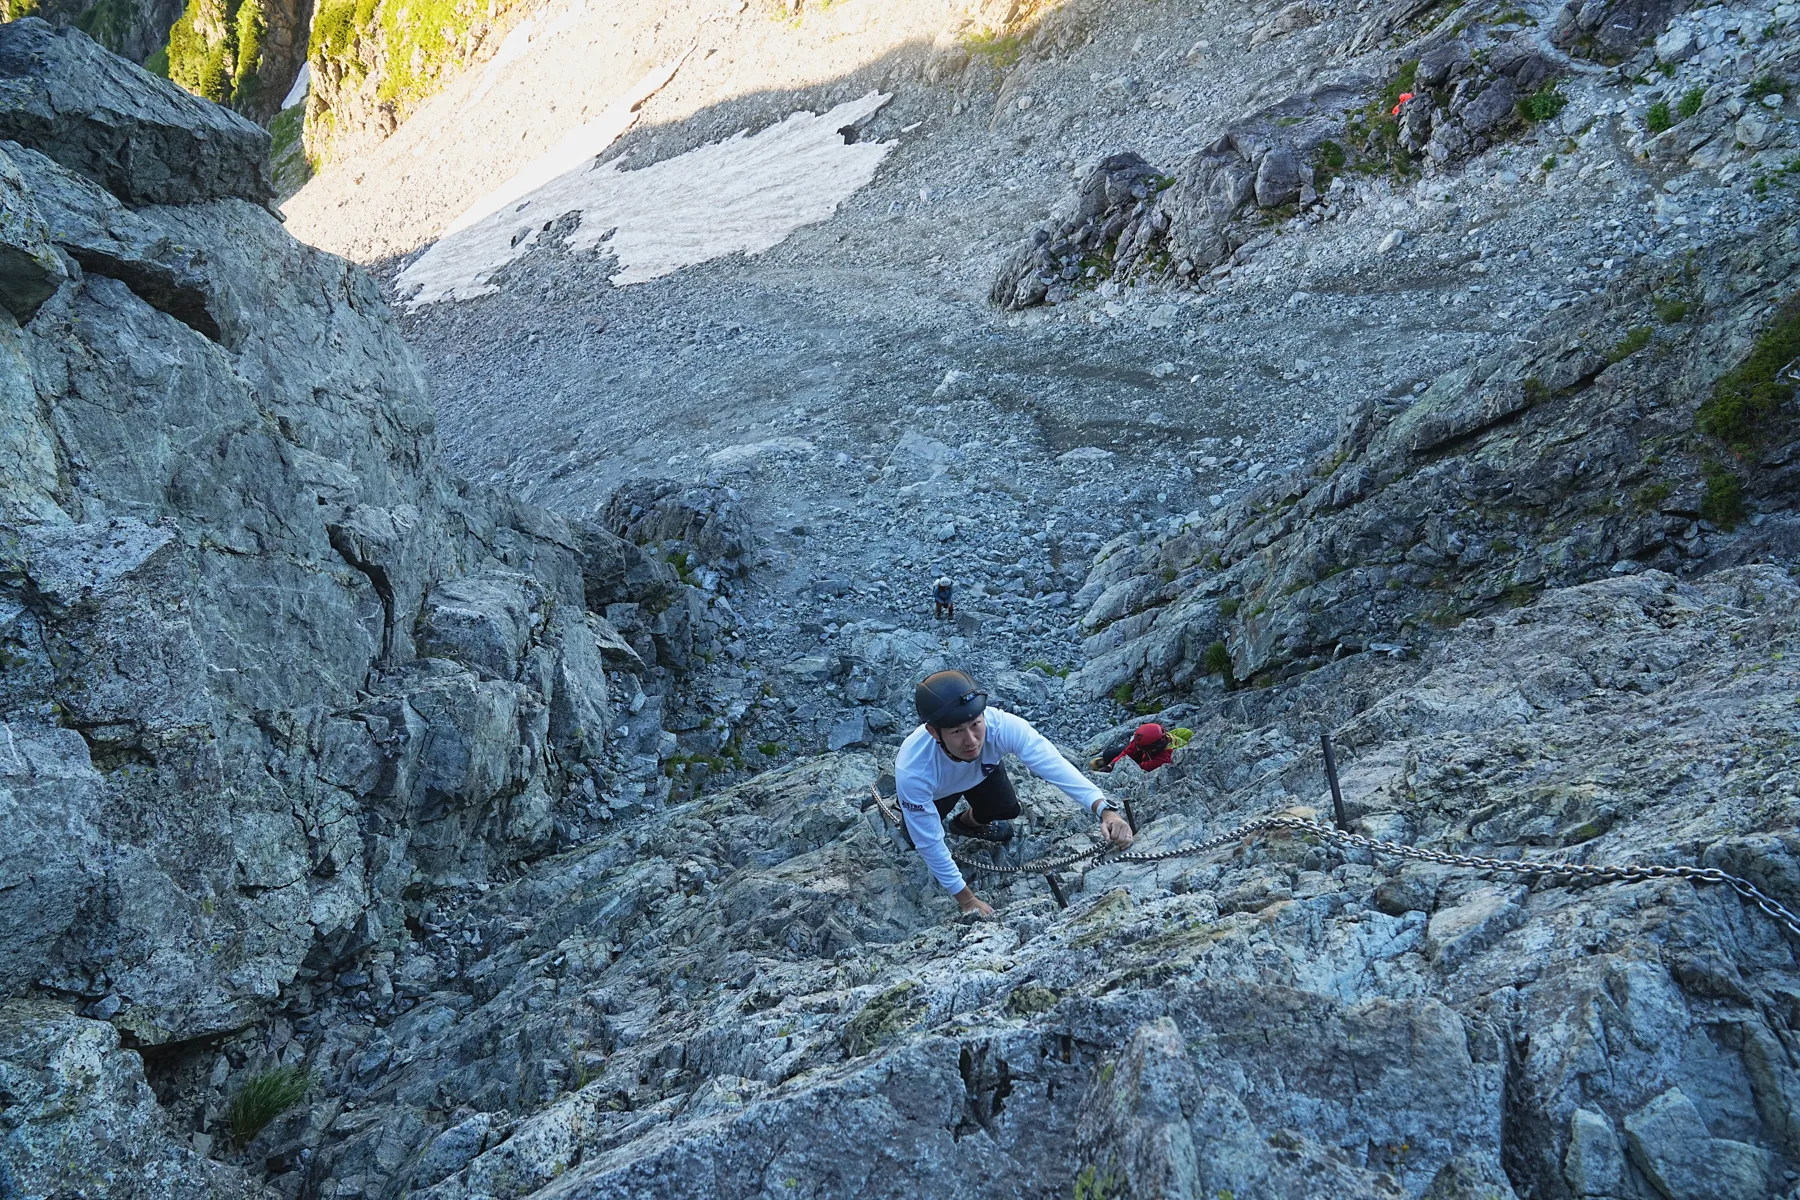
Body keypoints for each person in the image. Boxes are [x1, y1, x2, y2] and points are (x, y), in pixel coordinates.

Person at [896, 669, 1133, 918]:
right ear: (934, 733)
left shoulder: (1001, 726)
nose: (971, 740)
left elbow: (1053, 764)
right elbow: (930, 843)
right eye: (957, 732)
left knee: (1007, 810)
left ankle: (964, 824)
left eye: (976, 724)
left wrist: (1105, 810)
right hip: (936, 790)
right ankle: (907, 815)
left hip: (979, 772)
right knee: (916, 839)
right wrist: (967, 899)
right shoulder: (914, 770)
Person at [1091, 722, 1175, 773]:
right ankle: (1106, 761)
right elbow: (1127, 752)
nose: (1138, 749)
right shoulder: (1145, 740)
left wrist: (1117, 769)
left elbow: (1141, 768)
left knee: (1129, 762)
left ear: (1154, 748)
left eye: (1141, 748)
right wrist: (1111, 765)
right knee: (1108, 754)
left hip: (1148, 760)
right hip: (1145, 754)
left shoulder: (1164, 758)